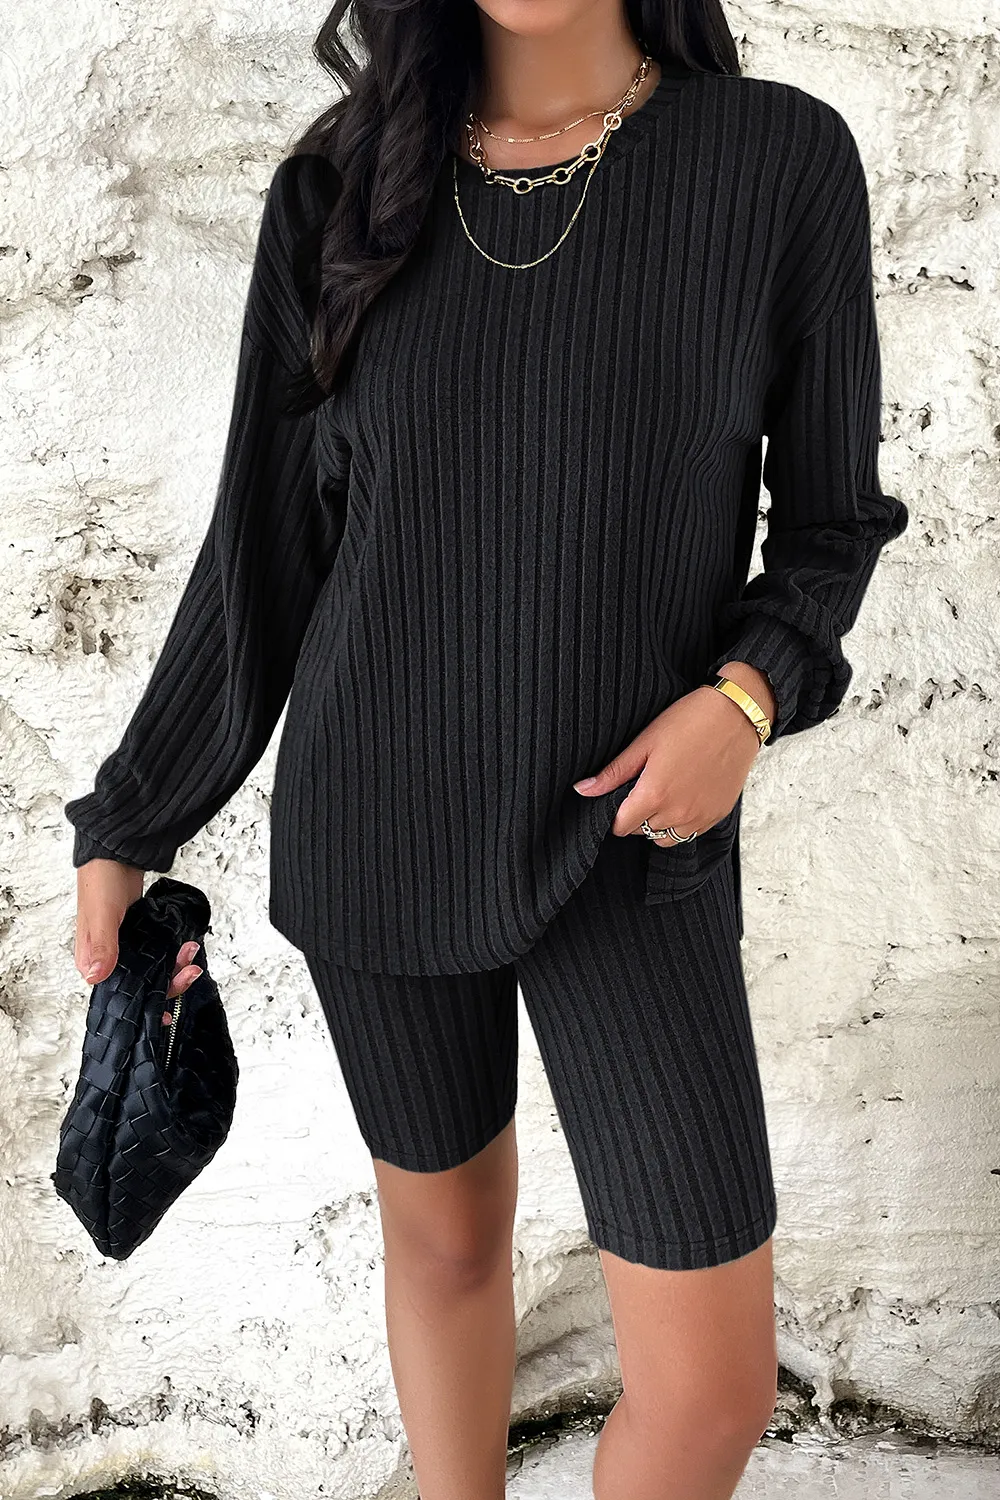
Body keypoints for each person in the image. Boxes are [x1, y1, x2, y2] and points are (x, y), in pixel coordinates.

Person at [65, 2, 909, 1497]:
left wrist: (746, 699)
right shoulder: (338, 195)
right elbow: (262, 555)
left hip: (637, 836)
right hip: (378, 822)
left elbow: (834, 523)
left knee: (711, 1391)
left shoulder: (777, 161)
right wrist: (133, 818)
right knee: (447, 1245)